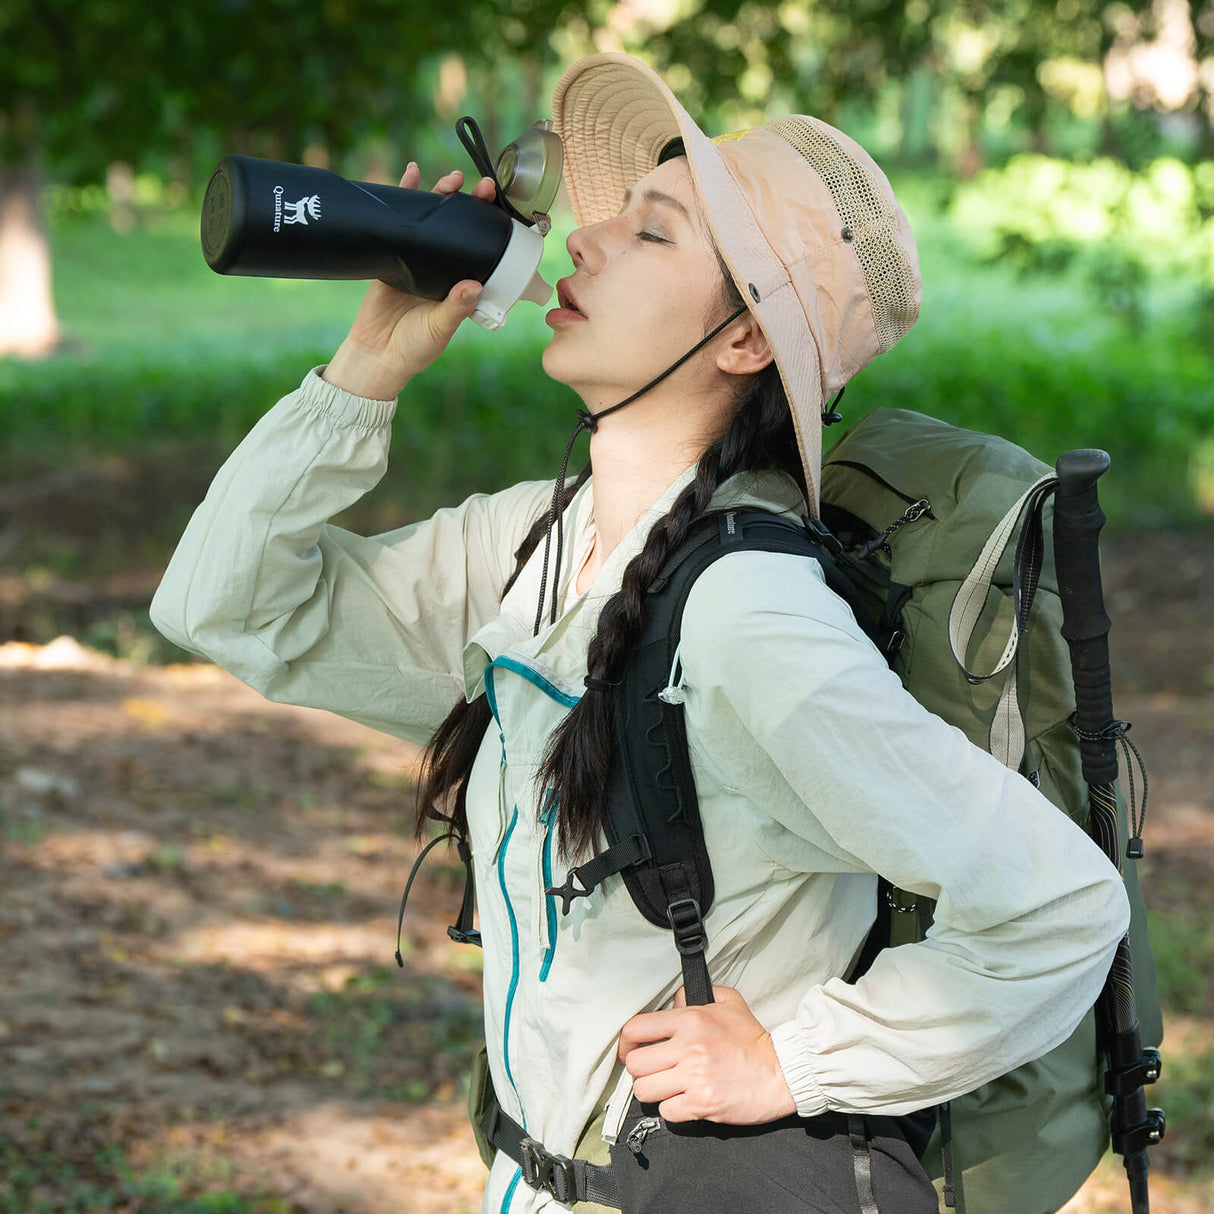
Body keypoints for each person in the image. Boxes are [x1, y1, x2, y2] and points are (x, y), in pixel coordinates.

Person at [152, 52, 1129, 1214]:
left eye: (652, 232)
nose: (586, 239)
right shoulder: (534, 544)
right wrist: (367, 368)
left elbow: (1060, 903)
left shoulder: (748, 614)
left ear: (744, 342)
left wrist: (792, 1060)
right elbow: (227, 604)